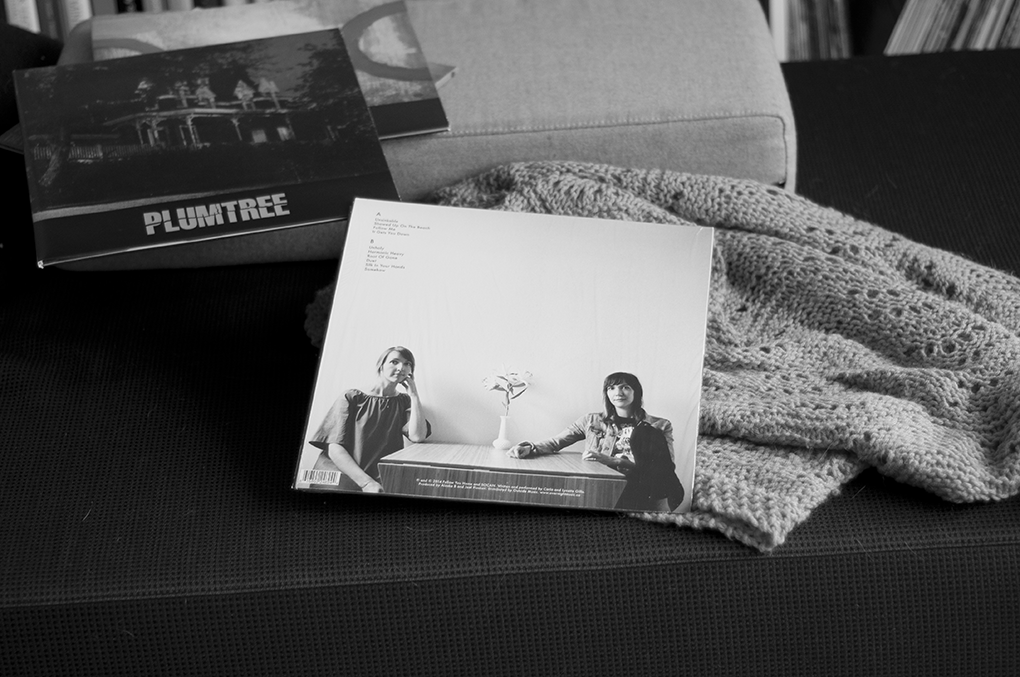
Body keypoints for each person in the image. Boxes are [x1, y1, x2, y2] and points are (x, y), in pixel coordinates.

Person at [508, 372, 684, 511]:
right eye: (612, 388)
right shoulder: (591, 421)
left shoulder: (659, 425)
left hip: (645, 490)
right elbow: (556, 442)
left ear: (636, 392)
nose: (618, 393)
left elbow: (665, 468)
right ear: (606, 393)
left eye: (625, 387)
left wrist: (615, 461)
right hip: (601, 486)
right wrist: (530, 447)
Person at [309, 346, 430, 493]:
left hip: (379, 477)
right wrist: (366, 483)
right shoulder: (352, 397)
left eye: (407, 364)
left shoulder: (405, 401)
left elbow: (417, 436)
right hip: (341, 474)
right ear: (381, 365)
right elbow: (334, 448)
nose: (401, 368)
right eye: (394, 362)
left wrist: (414, 395)